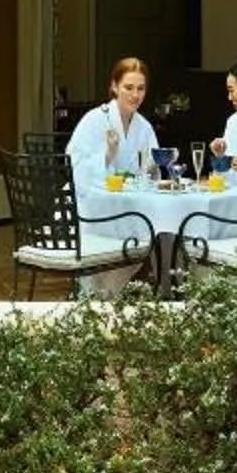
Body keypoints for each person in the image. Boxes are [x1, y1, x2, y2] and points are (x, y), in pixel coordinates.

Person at [64, 57, 161, 297]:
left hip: (128, 207)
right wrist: (107, 156)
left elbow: (153, 169)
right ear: (114, 87)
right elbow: (72, 167)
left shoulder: (144, 127)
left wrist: (152, 172)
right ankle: (96, 297)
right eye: (128, 87)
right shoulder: (94, 120)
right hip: (90, 207)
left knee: (154, 232)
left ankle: (107, 296)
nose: (135, 95)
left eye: (141, 89)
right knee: (131, 234)